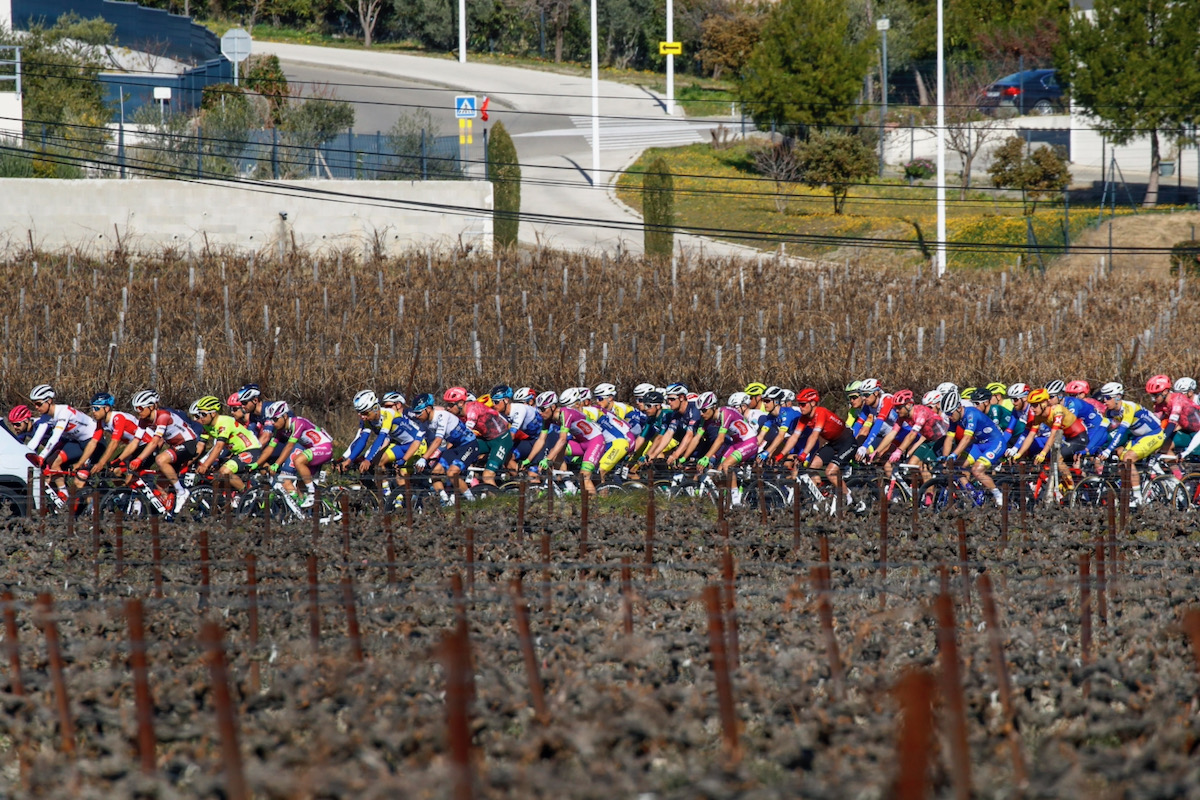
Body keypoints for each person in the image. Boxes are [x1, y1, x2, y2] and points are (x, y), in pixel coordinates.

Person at [120, 390, 203, 514]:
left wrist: (139, 459)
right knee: (160, 484)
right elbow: (135, 442)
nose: (138, 411)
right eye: (136, 409)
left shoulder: (163, 416)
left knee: (160, 459)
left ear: (152, 406)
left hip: (188, 444)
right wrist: (119, 460)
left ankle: (182, 493)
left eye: (140, 408)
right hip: (176, 447)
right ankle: (170, 515)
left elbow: (154, 442)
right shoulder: (144, 421)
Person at [1095, 382, 1164, 507]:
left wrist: (1108, 450)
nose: (1104, 400)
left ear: (1118, 397)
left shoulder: (1129, 407)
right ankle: (1133, 490)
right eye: (1103, 397)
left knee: (1128, 459)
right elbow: (1101, 430)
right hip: (1138, 437)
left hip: (1154, 434)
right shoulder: (1110, 412)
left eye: (1108, 397)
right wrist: (1089, 448)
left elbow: (1121, 431)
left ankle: (1138, 498)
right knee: (1120, 457)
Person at [25, 384, 98, 501]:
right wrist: (25, 455)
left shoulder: (64, 412)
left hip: (93, 441)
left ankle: (94, 509)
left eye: (38, 403)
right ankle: (64, 498)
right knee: (53, 462)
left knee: (80, 482)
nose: (36, 407)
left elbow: (55, 437)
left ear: (49, 401)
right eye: (34, 404)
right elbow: (35, 440)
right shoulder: (45, 417)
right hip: (77, 442)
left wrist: (41, 457)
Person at [794, 388, 861, 513]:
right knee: (812, 467)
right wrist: (781, 454)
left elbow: (814, 435)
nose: (800, 407)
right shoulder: (804, 418)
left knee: (830, 472)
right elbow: (794, 437)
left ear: (813, 403)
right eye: (799, 404)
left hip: (847, 443)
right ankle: (823, 496)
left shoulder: (821, 412)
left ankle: (849, 497)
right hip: (833, 444)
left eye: (803, 404)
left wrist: (803, 454)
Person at [259, 401, 335, 507]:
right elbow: (270, 448)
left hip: (324, 447)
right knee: (300, 488)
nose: (273, 423)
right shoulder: (279, 430)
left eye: (275, 419)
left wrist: (276, 464)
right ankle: (315, 513)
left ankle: (312, 494)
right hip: (313, 451)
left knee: (298, 460)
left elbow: (289, 446)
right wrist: (256, 463)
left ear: (285, 416)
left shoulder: (298, 423)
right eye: (271, 420)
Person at [189, 395, 262, 505]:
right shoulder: (207, 426)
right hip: (237, 453)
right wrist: (189, 462)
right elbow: (200, 445)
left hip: (252, 450)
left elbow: (218, 447)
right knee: (215, 475)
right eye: (199, 414)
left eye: (203, 414)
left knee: (224, 472)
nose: (200, 417)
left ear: (213, 413)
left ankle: (248, 494)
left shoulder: (224, 422)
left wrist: (205, 465)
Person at [942, 390, 1006, 507]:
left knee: (976, 470)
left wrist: (954, 454)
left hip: (995, 443)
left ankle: (998, 495)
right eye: (947, 414)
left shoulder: (971, 414)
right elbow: (949, 439)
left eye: (950, 413)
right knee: (955, 467)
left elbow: (966, 438)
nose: (949, 417)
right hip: (979, 445)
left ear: (959, 408)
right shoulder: (954, 419)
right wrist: (946, 458)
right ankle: (973, 492)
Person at [444, 386, 511, 488]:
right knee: (456, 450)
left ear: (461, 403)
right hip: (487, 440)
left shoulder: (473, 409)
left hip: (502, 439)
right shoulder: (458, 414)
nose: (448, 408)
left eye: (450, 405)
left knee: (487, 476)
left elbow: (467, 432)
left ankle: (499, 501)